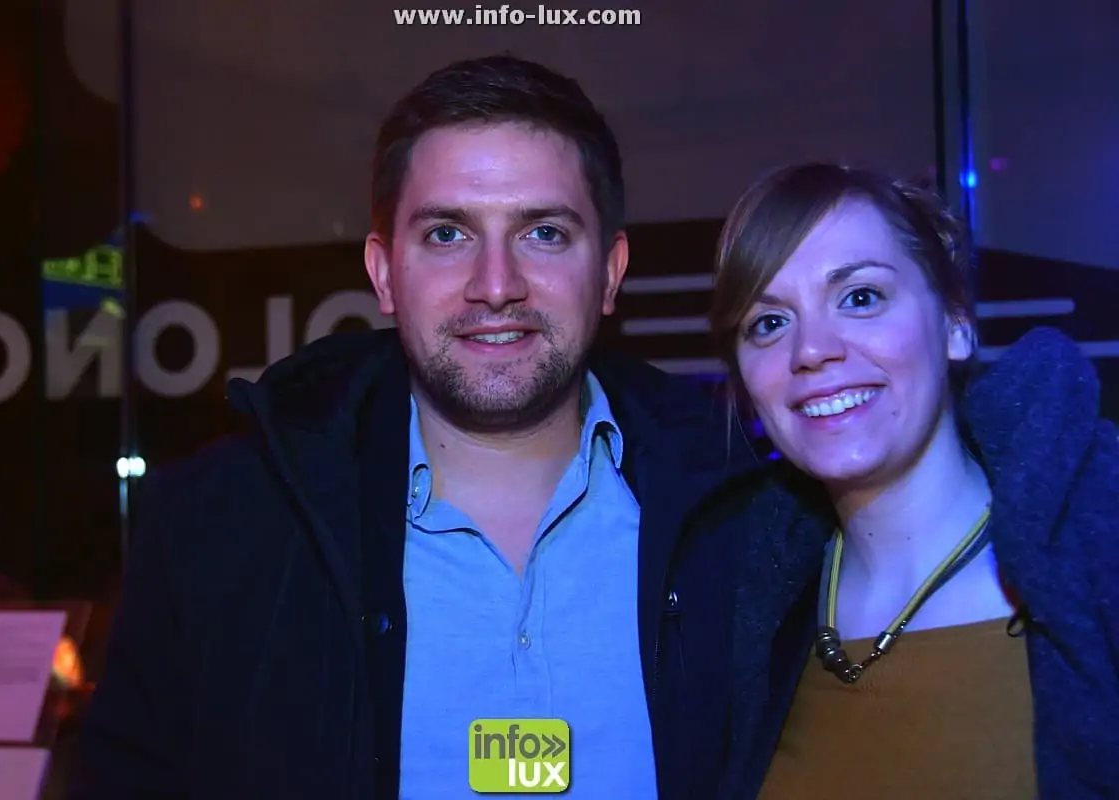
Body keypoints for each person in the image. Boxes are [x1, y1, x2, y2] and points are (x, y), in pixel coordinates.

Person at [68, 56, 823, 799]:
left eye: (544, 233)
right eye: (447, 235)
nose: (495, 285)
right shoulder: (222, 533)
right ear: (384, 273)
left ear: (610, 272)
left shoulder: (751, 526)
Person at [708, 162, 1119, 798]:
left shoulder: (1096, 562)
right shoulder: (748, 616)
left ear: (955, 324)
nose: (811, 350)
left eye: (860, 297)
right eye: (769, 322)